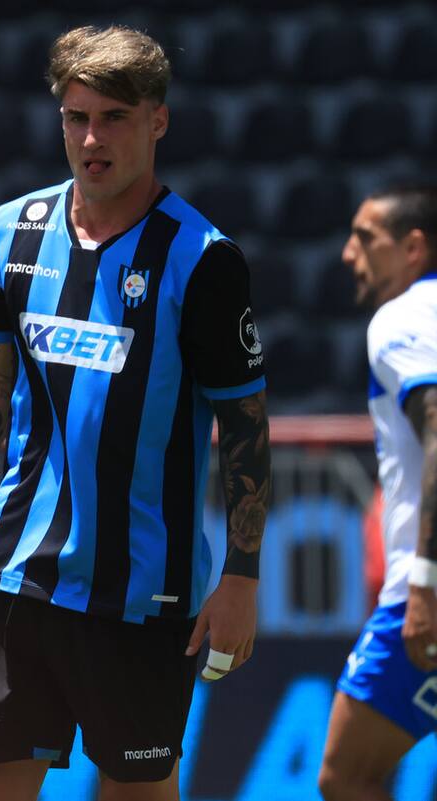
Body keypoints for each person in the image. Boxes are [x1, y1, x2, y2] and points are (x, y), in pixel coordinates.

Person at [0, 25, 271, 801]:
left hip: (142, 596)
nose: (91, 138)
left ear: (157, 120)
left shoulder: (202, 258)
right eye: (76, 117)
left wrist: (240, 574)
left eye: (114, 118)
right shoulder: (14, 230)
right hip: (19, 577)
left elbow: (246, 424)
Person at [318, 186, 437, 801]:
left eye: (366, 238)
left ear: (413, 248)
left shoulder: (403, 319)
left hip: (428, 592)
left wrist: (425, 579)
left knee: (346, 775)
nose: (347, 254)